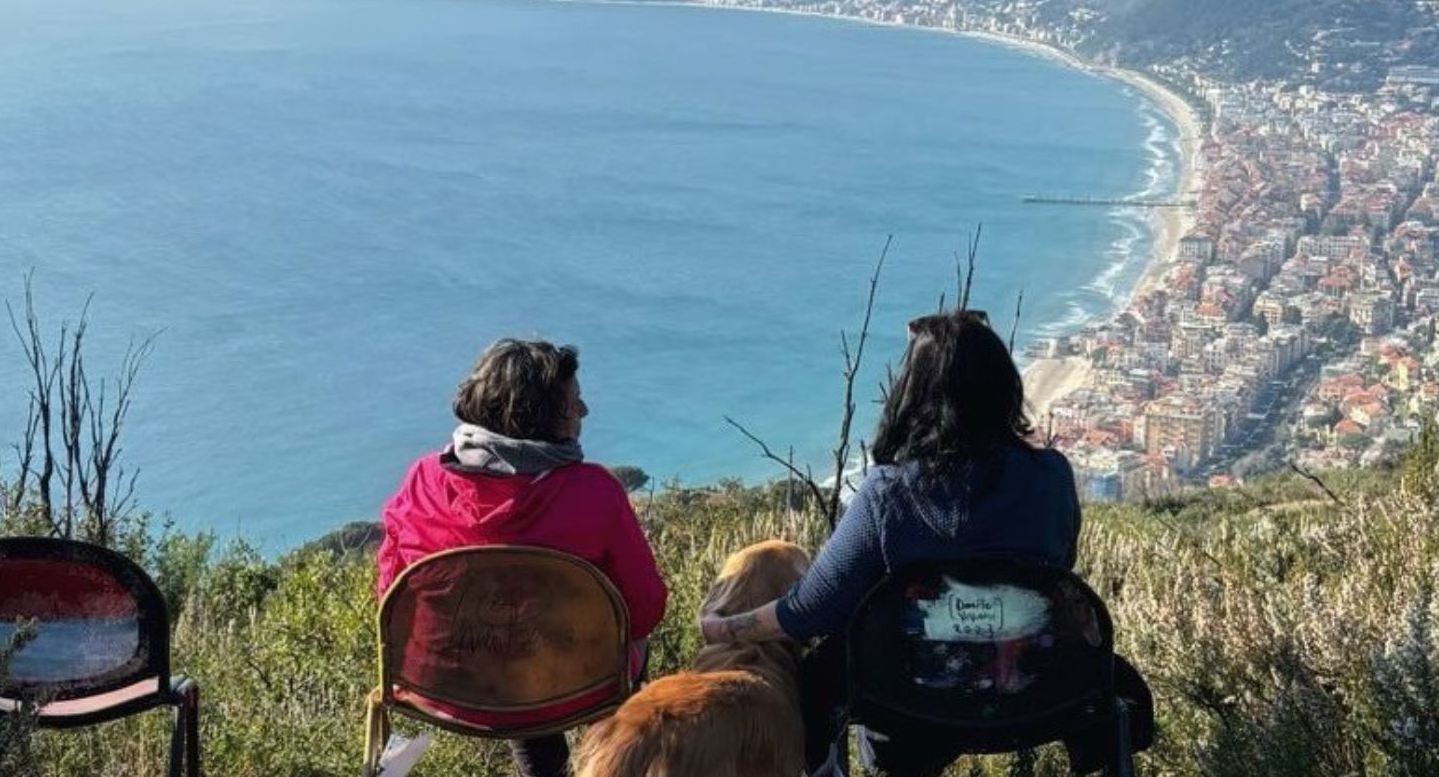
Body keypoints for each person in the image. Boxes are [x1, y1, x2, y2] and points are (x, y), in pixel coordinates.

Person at [697, 309, 1151, 775]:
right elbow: (1057, 564)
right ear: (1005, 388)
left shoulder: (888, 492)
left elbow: (811, 611)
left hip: (908, 704)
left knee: (815, 683)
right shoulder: (1051, 476)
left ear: (911, 397)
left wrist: (724, 627)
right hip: (1032, 692)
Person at [377, 338, 668, 777]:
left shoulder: (421, 481)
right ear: (538, 419)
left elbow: (388, 596)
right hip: (578, 689)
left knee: (513, 652)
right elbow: (645, 611)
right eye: (572, 405)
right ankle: (612, 762)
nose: (584, 412)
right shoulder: (593, 491)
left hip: (452, 686)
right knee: (545, 649)